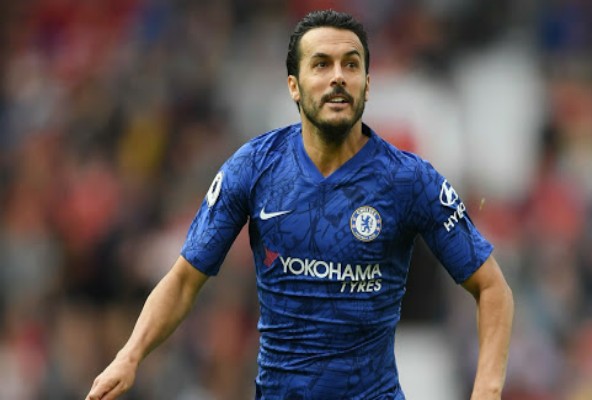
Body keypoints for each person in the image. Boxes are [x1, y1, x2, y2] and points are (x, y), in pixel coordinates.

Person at [86, 9, 514, 400]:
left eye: (351, 64)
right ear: (294, 85)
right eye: (321, 64)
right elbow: (183, 281)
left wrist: (487, 389)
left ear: (368, 84)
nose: (338, 77)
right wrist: (130, 355)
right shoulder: (254, 167)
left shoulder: (409, 179)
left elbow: (492, 287)